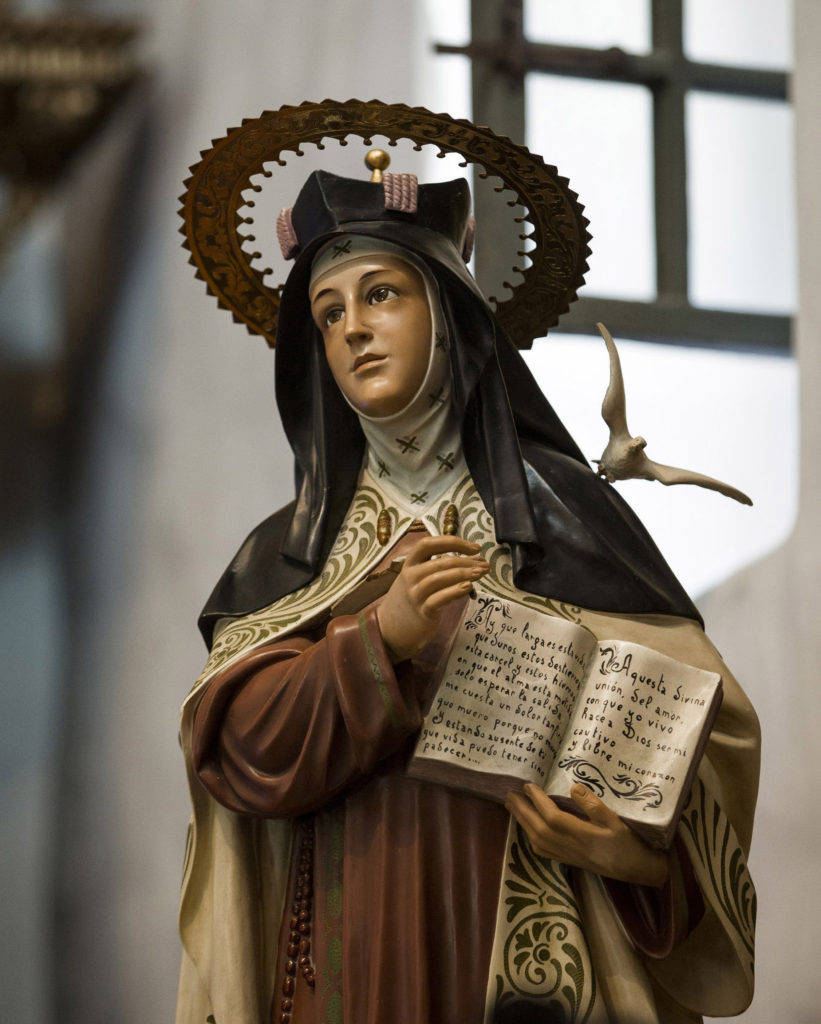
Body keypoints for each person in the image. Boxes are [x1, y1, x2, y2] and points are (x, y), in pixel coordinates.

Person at [175, 168, 759, 1024]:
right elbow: (234, 746)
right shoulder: (288, 553)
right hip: (349, 937)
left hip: (526, 941)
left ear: (446, 316)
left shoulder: (567, 517)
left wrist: (637, 858)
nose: (353, 331)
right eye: (328, 314)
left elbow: (700, 732)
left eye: (380, 295)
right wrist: (376, 641)